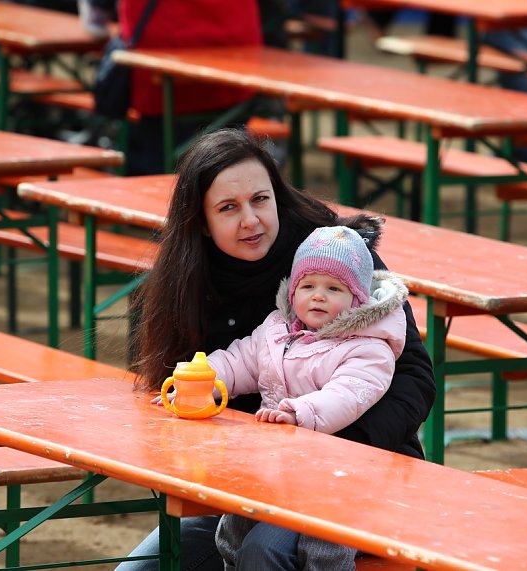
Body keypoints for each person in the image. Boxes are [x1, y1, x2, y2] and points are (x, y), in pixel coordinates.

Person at [119, 127, 435, 570]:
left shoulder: (333, 252)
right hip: (245, 485)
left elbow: (415, 377)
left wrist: (335, 448)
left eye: (260, 200)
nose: (251, 220)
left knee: (263, 553)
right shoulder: (187, 282)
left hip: (354, 475)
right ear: (201, 223)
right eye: (228, 208)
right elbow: (218, 372)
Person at [202, 225, 408, 570]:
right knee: (235, 529)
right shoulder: (275, 331)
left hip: (336, 478)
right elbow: (239, 361)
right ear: (293, 290)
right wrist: (203, 379)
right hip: (275, 467)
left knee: (318, 550)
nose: (318, 296)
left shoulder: (368, 347)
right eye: (308, 286)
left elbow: (348, 393)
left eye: (334, 288)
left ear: (357, 298)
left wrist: (300, 412)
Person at [80, 0, 263, 175]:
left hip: (164, 48)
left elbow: (95, 22)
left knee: (163, 171)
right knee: (228, 164)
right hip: (233, 47)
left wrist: (99, 12)